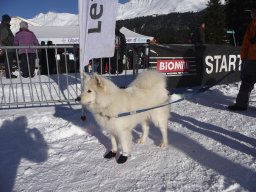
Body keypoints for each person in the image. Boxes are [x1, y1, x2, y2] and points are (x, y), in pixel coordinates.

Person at [228, 8, 256, 111]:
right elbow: (246, 43)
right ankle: (241, 104)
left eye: (253, 12)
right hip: (250, 58)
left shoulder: (253, 24)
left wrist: (244, 56)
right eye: (251, 13)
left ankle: (241, 104)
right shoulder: (252, 24)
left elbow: (247, 43)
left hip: (252, 58)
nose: (251, 14)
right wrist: (244, 56)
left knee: (247, 82)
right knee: (247, 82)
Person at [0, 14, 17, 78]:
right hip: (8, 48)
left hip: (8, 48)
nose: (9, 22)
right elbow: (2, 38)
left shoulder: (3, 26)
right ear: (7, 20)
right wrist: (9, 45)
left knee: (9, 61)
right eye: (9, 20)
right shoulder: (4, 27)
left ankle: (9, 73)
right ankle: (8, 74)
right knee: (8, 61)